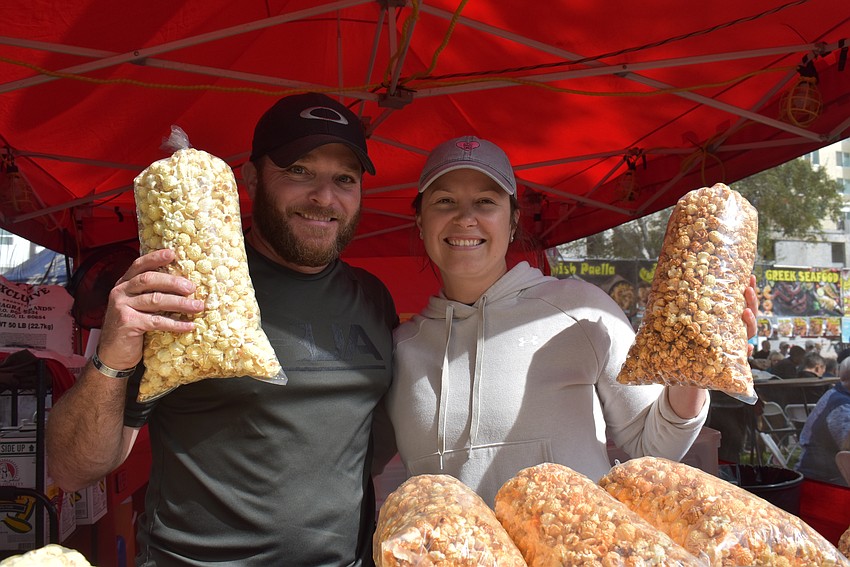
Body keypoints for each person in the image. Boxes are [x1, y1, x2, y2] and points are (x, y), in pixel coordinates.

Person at [46, 93, 398, 566]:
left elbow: (371, 441)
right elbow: (71, 469)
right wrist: (111, 355)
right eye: (299, 170)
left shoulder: (372, 297)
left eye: (345, 179)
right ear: (250, 179)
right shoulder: (180, 289)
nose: (324, 196)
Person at [384, 135, 758, 506]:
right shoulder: (400, 349)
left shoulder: (580, 310)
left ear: (513, 221)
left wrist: (695, 366)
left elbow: (656, 446)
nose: (466, 218)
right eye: (444, 201)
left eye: (485, 202)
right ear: (420, 220)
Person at [795, 357, 850, 486]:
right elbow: (847, 451)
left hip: (822, 477)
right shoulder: (842, 407)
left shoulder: (834, 393)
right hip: (822, 483)